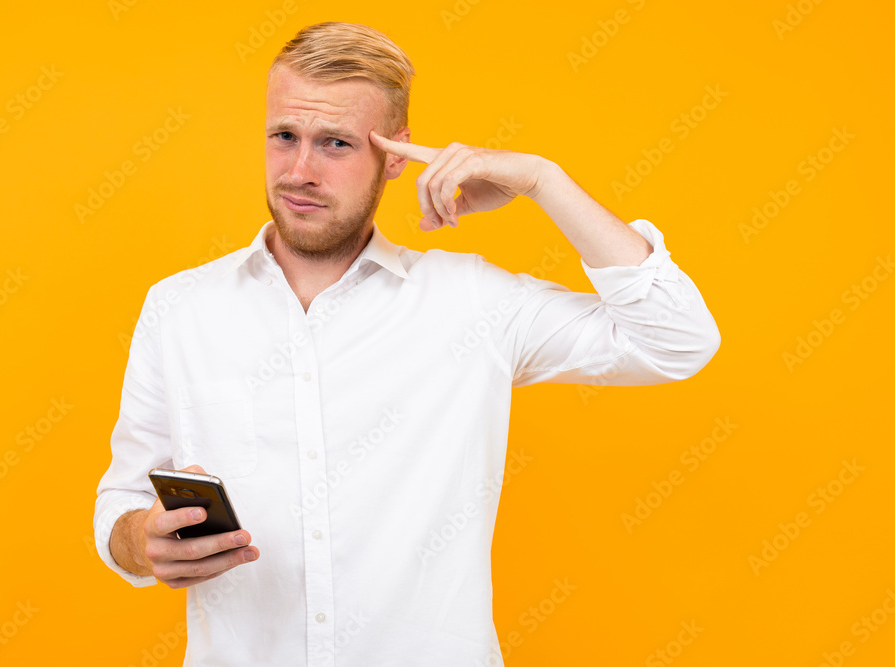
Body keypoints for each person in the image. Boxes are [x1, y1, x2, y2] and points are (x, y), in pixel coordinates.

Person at [93, 21, 720, 666]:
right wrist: (142, 540)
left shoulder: (471, 302)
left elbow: (676, 340)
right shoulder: (179, 308)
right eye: (284, 136)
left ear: (396, 156)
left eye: (336, 143)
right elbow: (122, 501)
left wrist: (543, 180)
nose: (300, 171)